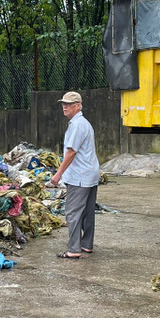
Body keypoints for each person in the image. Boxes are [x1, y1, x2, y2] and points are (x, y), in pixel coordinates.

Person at [49, 91, 100, 259]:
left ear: (78, 106)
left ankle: (73, 249)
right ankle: (86, 245)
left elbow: (71, 152)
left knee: (72, 212)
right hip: (89, 174)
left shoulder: (78, 125)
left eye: (69, 104)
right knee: (87, 212)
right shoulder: (82, 123)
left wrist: (58, 174)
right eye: (63, 103)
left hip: (80, 176)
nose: (65, 106)